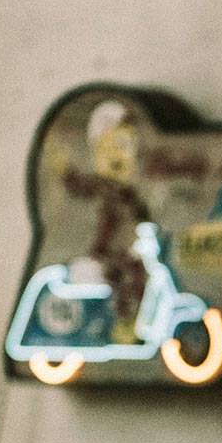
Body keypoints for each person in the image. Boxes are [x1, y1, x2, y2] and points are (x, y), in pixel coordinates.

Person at [59, 99, 151, 342]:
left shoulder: (131, 191)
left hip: (126, 246)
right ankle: (124, 322)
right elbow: (78, 187)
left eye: (125, 146)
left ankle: (137, 320)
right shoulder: (101, 187)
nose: (118, 155)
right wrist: (64, 171)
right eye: (109, 146)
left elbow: (142, 213)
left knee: (139, 272)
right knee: (121, 276)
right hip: (106, 250)